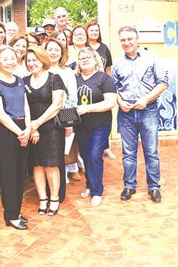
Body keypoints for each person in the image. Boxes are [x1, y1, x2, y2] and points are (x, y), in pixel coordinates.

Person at [112, 26, 168, 203]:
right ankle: (129, 186)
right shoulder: (117, 63)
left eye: (130, 39)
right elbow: (113, 87)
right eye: (123, 40)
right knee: (128, 152)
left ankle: (154, 187)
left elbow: (163, 83)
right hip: (126, 114)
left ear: (137, 39)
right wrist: (120, 102)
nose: (127, 42)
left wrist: (145, 99)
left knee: (151, 151)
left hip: (148, 111)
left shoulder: (152, 58)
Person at [0, 46, 30, 229]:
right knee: (9, 174)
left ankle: (17, 211)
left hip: (22, 129)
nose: (10, 61)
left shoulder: (20, 81)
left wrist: (28, 128)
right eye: (5, 59)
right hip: (6, 130)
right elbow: (0, 114)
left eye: (12, 58)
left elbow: (26, 106)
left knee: (21, 173)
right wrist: (19, 132)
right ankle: (11, 215)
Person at [24, 47, 65, 215]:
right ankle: (42, 198)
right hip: (32, 129)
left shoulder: (55, 78)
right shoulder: (24, 81)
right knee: (37, 165)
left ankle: (54, 198)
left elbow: (57, 105)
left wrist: (37, 124)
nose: (32, 63)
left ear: (43, 60)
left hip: (52, 129)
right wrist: (31, 127)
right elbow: (23, 106)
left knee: (51, 165)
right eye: (29, 60)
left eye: (35, 59)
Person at [75, 48, 116, 206]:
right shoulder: (75, 78)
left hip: (100, 125)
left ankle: (97, 191)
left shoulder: (104, 79)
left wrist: (87, 108)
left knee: (94, 156)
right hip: (81, 126)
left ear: (95, 59)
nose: (84, 60)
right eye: (81, 58)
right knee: (85, 156)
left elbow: (110, 102)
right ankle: (89, 185)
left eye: (88, 57)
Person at [44, 39, 81, 184]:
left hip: (61, 117)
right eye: (50, 49)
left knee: (61, 151)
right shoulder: (40, 69)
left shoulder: (67, 72)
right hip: (43, 117)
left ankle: (61, 179)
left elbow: (72, 98)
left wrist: (68, 122)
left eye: (56, 50)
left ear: (62, 53)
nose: (53, 53)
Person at [86, 22, 116, 160]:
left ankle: (106, 147)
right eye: (91, 30)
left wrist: (108, 83)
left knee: (104, 117)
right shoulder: (85, 48)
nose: (94, 33)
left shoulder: (104, 48)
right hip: (88, 87)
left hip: (102, 86)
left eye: (96, 30)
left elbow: (108, 68)